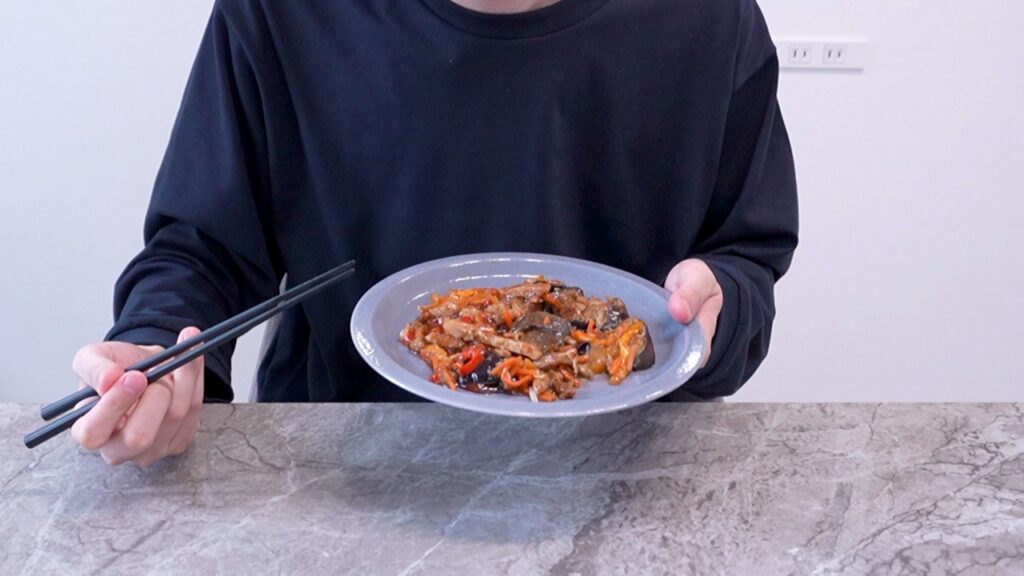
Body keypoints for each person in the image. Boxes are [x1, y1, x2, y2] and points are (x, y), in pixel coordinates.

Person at [69, 0, 798, 466]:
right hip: (344, 469)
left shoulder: (708, 21)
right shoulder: (281, 14)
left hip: (621, 477)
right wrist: (159, 346)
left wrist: (720, 309)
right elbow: (202, 249)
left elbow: (744, 263)